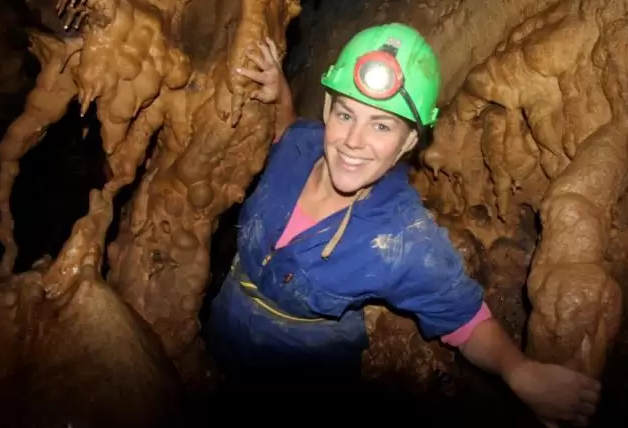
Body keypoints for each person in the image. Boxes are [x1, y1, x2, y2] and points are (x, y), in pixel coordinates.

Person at [206, 23, 601, 426]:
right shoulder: (302, 143)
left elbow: (464, 318)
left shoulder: (401, 238)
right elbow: (286, 129)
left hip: (299, 368)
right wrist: (280, 91)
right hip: (226, 319)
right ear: (327, 111)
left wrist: (519, 371)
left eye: (381, 125)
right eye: (346, 114)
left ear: (408, 141)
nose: (353, 141)